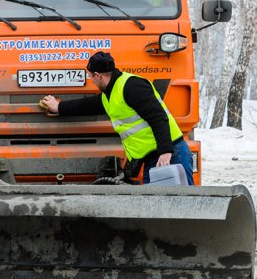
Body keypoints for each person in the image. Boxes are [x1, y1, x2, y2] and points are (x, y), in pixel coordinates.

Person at [41, 51, 194, 184]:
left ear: (98, 76)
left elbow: (158, 117)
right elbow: (87, 105)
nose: (91, 81)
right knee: (156, 207)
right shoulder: (110, 94)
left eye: (90, 77)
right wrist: (59, 107)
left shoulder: (132, 86)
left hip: (171, 154)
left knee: (181, 205)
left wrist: (166, 151)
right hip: (154, 157)